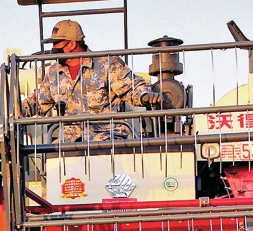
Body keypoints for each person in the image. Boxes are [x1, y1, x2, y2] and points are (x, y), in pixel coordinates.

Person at [23, 20, 163, 142]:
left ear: (72, 44)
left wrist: (146, 96)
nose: (53, 49)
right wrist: (12, 113)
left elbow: (133, 87)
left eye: (56, 44)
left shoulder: (106, 64)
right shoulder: (54, 73)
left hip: (106, 141)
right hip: (68, 145)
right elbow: (36, 102)